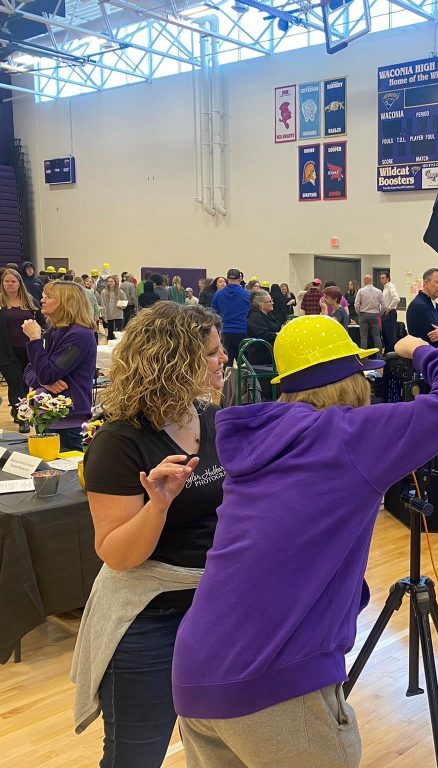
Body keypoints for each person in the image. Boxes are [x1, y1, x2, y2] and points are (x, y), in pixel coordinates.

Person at [170, 318, 438, 766]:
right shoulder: (346, 436)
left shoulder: (261, 436)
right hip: (273, 677)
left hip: (197, 672)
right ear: (350, 381)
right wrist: (418, 348)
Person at [73, 303, 227, 768]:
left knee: (218, 746)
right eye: (212, 353)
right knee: (135, 758)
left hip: (215, 608)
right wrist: (157, 504)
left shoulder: (212, 419)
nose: (224, 360)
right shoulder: (119, 442)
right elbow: (118, 554)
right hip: (149, 617)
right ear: (176, 361)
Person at [21, 281, 97, 451]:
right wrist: (43, 382)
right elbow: (29, 371)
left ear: (66, 301)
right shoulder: (55, 331)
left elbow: (46, 373)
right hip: (48, 416)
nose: (42, 300)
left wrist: (34, 340)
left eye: (48, 296)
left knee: (67, 475)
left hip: (68, 421)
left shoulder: (79, 335)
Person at [0, 268, 39, 432]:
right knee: (15, 383)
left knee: (25, 383)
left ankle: (18, 410)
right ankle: (23, 417)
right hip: (6, 350)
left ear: (19, 283)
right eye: (6, 281)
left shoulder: (29, 302)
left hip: (27, 349)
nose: (10, 284)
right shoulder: (1, 305)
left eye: (13, 281)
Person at [405, 267, 438, 347]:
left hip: (434, 355)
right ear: (425, 284)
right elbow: (434, 339)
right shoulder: (419, 306)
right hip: (426, 356)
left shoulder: (436, 306)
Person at [211, 268, 250, 367]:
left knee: (225, 364)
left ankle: (225, 382)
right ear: (240, 279)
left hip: (226, 332)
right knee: (245, 366)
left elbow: (214, 313)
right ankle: (244, 383)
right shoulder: (247, 295)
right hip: (243, 331)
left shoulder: (218, 294)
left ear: (227, 279)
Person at [245, 290, 281, 366]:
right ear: (261, 304)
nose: (272, 303)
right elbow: (263, 335)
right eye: (269, 301)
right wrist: (277, 334)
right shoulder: (255, 317)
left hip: (270, 354)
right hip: (261, 357)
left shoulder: (268, 314)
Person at [354, 275, 383, 356]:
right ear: (371, 280)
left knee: (363, 336)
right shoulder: (379, 291)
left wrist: (359, 313)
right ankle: (379, 355)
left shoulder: (360, 291)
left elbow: (356, 304)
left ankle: (364, 356)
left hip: (363, 314)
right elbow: (384, 305)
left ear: (364, 281)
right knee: (376, 335)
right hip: (374, 315)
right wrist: (379, 313)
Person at [100, 276, 126, 340]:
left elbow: (125, 301)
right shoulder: (104, 292)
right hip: (109, 316)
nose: (110, 283)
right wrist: (104, 316)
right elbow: (103, 305)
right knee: (110, 335)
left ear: (115, 282)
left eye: (111, 281)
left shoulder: (120, 291)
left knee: (118, 335)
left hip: (118, 315)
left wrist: (122, 306)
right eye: (108, 281)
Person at [379, 272, 400, 354]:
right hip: (385, 313)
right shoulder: (385, 288)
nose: (381, 280)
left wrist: (389, 308)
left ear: (388, 278)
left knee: (390, 334)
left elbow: (396, 299)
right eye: (380, 278)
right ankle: (387, 352)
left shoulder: (391, 286)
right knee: (385, 334)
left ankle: (391, 352)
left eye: (383, 278)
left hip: (390, 313)